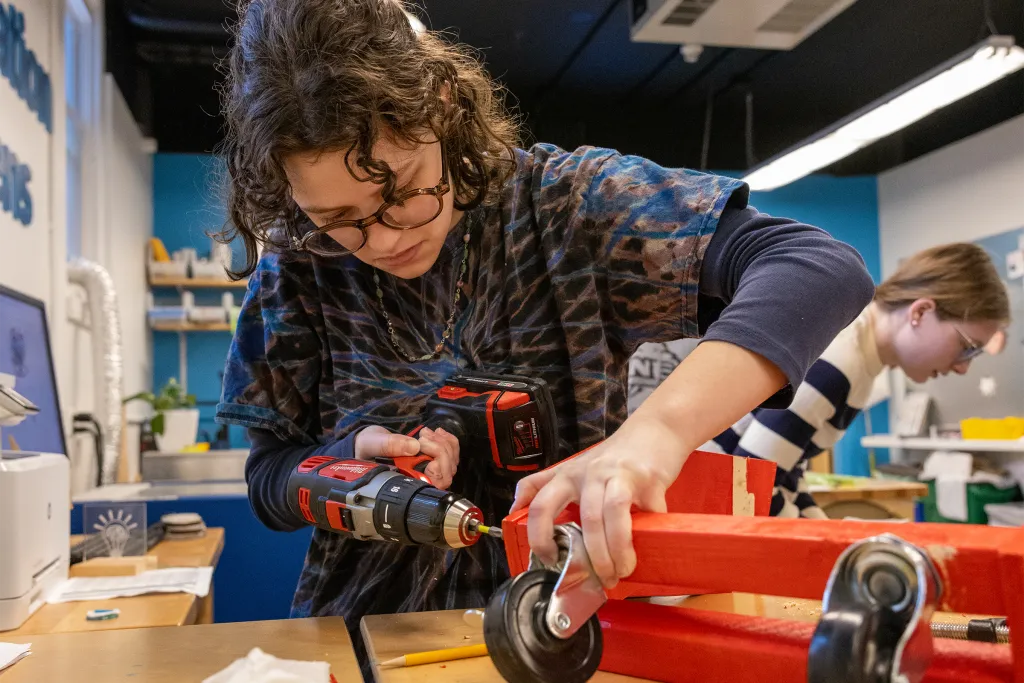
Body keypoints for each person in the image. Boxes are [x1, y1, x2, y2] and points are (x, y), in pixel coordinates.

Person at [213, 0, 874, 671]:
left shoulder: (568, 208)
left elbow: (818, 267)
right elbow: (268, 477)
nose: (382, 239)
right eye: (339, 219)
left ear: (441, 105)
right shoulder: (297, 265)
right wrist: (343, 462)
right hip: (362, 646)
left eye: (402, 191)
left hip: (559, 638)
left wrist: (656, 434)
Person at [706, 243, 1011, 518]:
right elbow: (751, 482)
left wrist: (823, 529)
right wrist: (819, 545)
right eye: (968, 347)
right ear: (920, 311)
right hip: (704, 502)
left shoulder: (861, 358)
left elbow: (784, 471)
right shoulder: (838, 360)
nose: (963, 369)